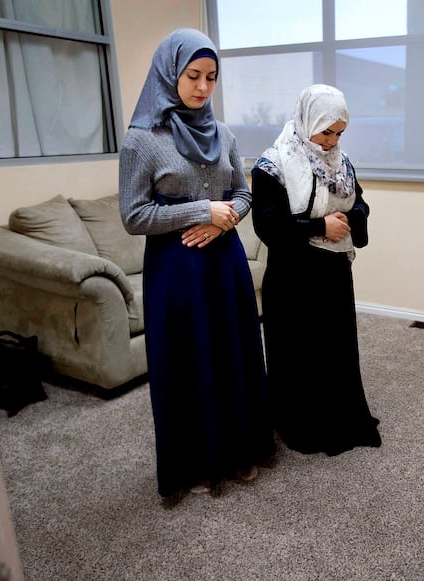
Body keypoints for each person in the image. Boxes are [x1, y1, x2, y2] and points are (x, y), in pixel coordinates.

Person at [119, 28, 274, 497]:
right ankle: (198, 464)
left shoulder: (223, 132)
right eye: (193, 76)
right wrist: (201, 212)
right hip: (177, 270)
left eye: (211, 77)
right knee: (189, 363)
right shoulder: (142, 140)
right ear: (170, 73)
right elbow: (133, 215)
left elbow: (244, 193)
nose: (203, 87)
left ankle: (239, 449)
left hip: (224, 265)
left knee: (233, 355)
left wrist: (224, 222)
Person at [250, 84, 381, 456]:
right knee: (299, 351)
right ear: (307, 121)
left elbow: (362, 204)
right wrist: (321, 227)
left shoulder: (342, 161)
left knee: (335, 346)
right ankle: (303, 424)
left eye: (339, 133)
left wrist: (351, 218)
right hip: (294, 275)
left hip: (334, 271)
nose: (331, 141)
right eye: (326, 131)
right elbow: (268, 225)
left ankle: (339, 416)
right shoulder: (272, 165)